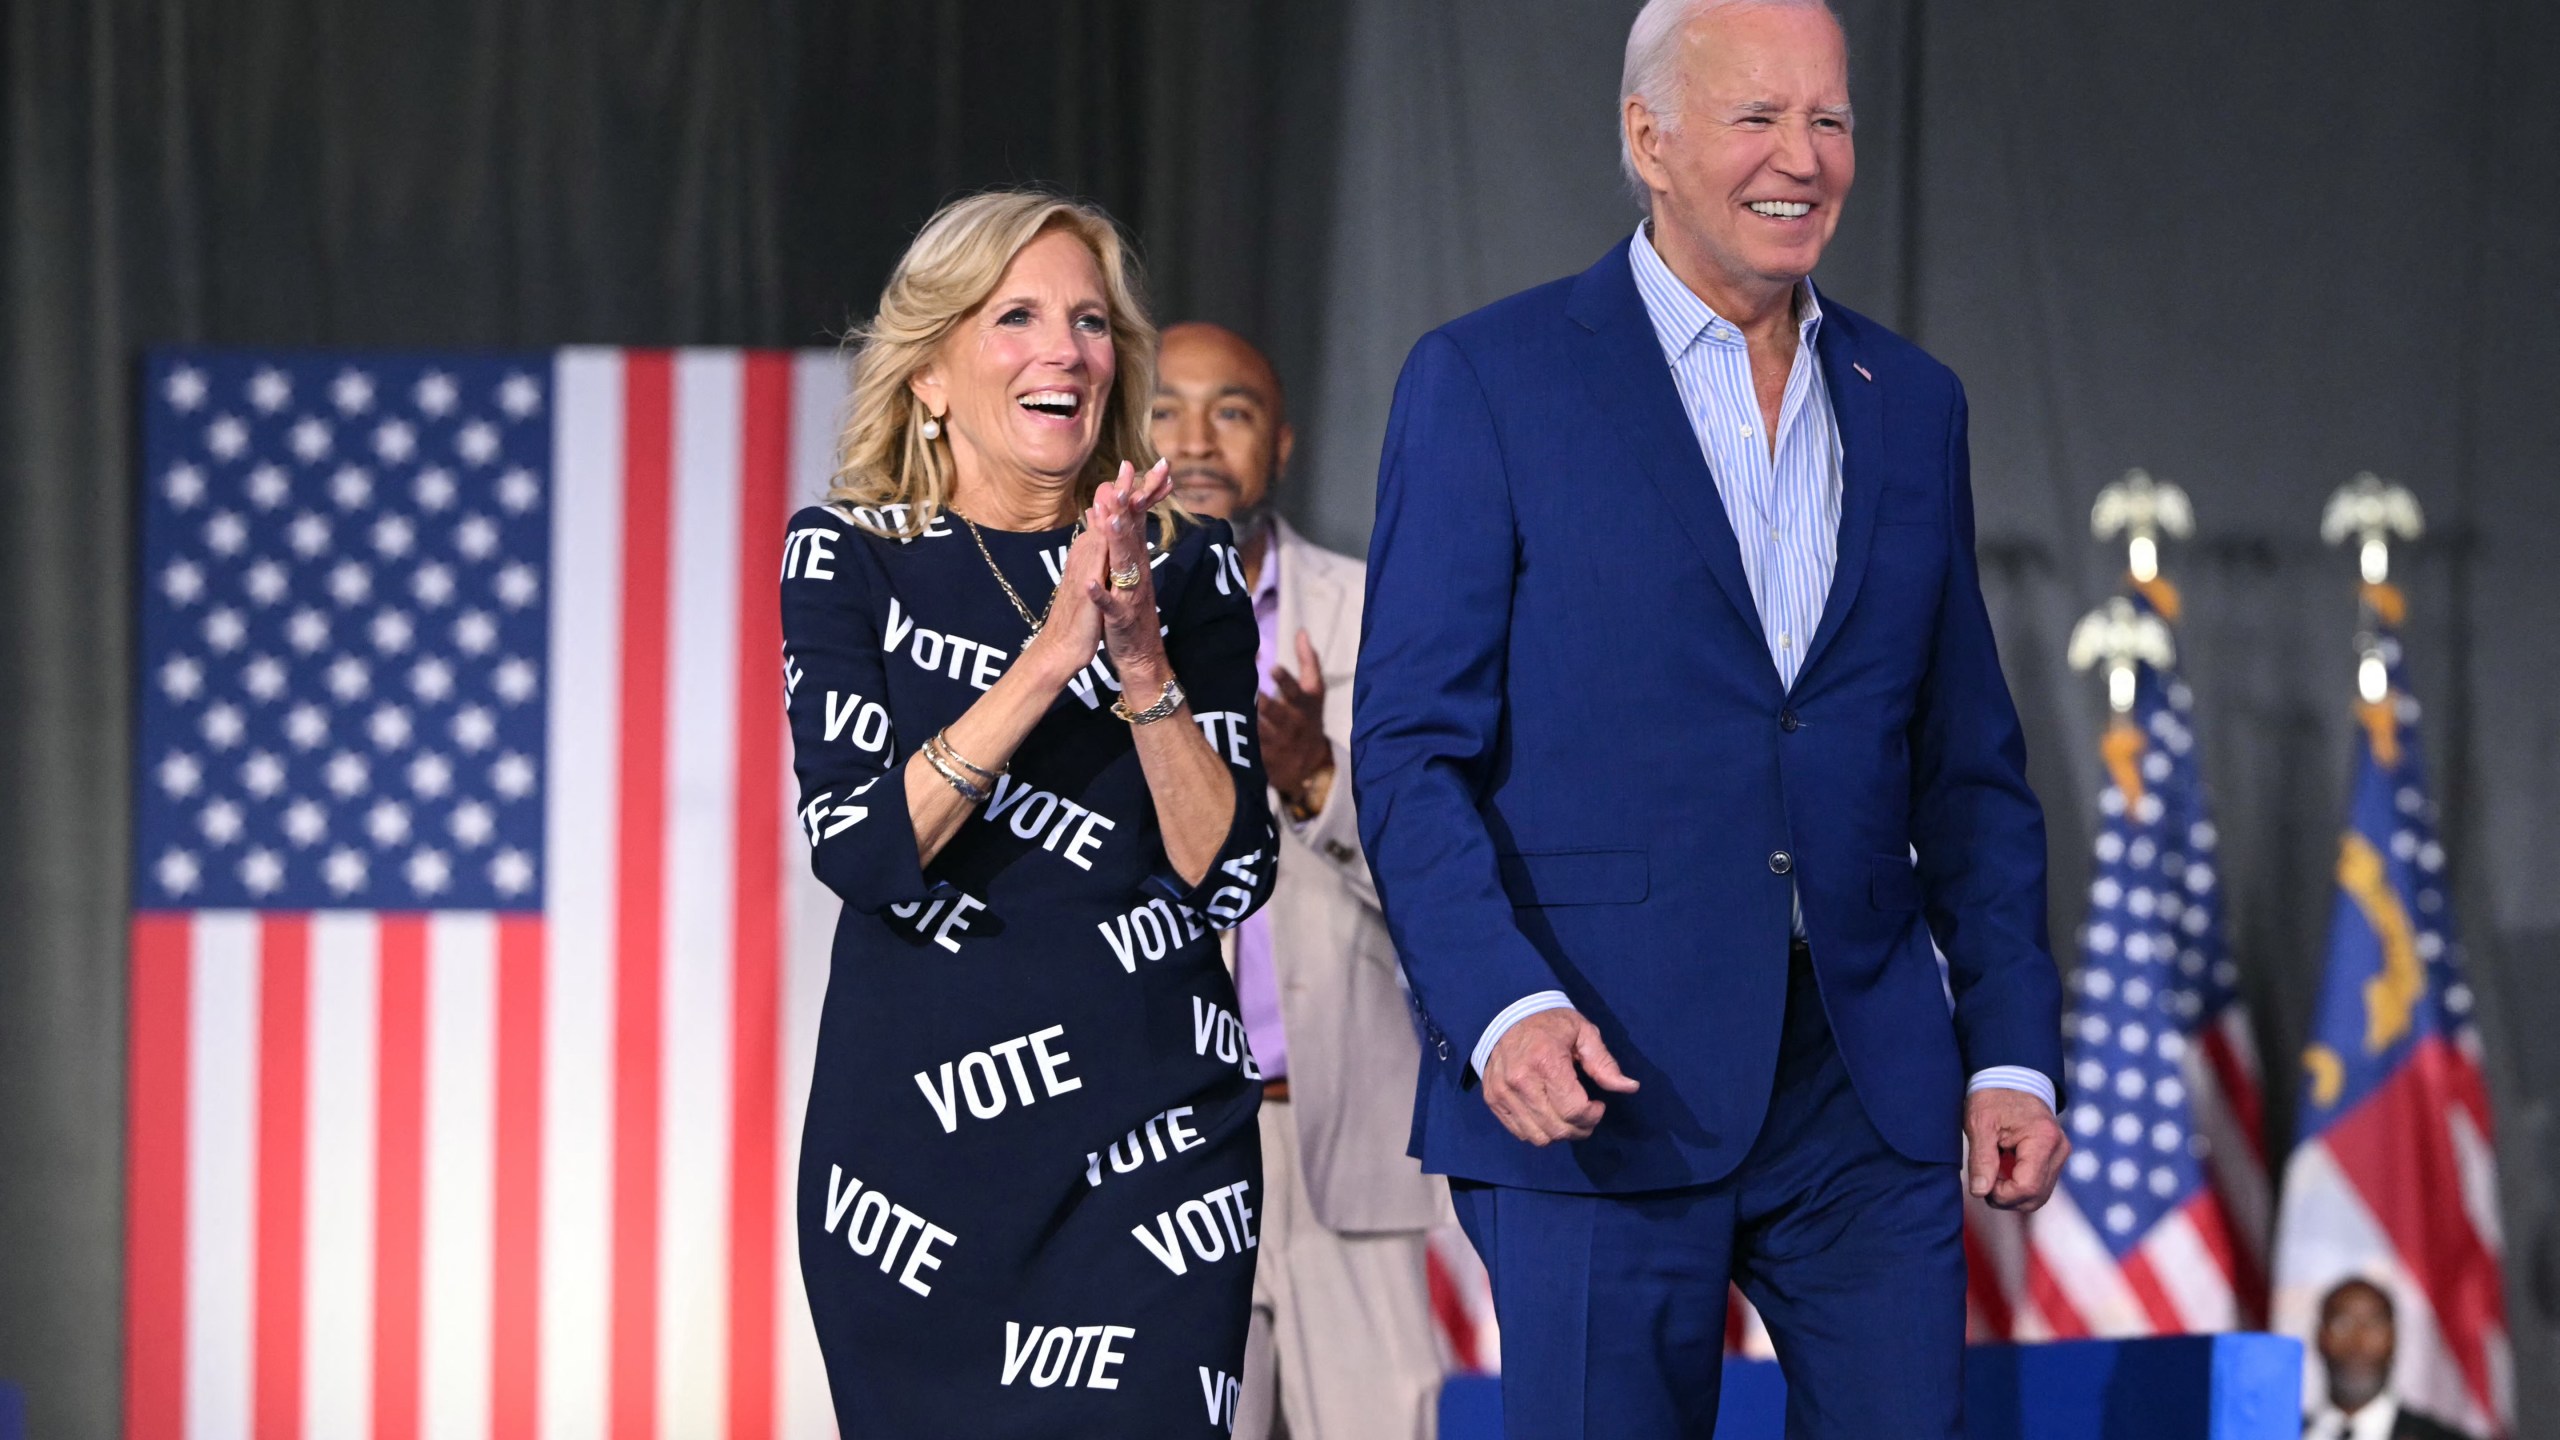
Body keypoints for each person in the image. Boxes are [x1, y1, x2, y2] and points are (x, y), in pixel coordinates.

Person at [1350, 1, 2068, 1435]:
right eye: (1758, 116)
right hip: (1598, 1066)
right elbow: (1409, 751)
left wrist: (2007, 1046)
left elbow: (1967, 769)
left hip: (1861, 1081)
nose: (1802, 156)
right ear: (1649, 139)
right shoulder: (1489, 380)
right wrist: (1502, 1007)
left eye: (1831, 118)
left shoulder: (1913, 403)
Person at [780, 189, 1277, 1437]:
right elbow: (860, 847)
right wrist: (1053, 657)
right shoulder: (848, 554)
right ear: (932, 375)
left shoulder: (1191, 565)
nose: (1065, 349)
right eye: (1016, 317)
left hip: (1157, 1157)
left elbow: (1230, 872)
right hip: (920, 1182)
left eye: (1091, 322)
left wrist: (1144, 662)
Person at [1152, 321, 1449, 1439]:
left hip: (1348, 1136)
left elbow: (1449, 870)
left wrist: (1321, 781)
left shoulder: (1379, 615)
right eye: (1163, 409)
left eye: (1228, 410)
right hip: (1166, 1146)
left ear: (1277, 444)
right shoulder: (1077, 625)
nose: (1193, 440)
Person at [2305, 1279, 2480, 1440]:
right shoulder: (2286, 1433)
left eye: (2374, 1325)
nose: (2358, 1342)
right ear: (2319, 1337)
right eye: (2341, 1324)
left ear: (2394, 1339)